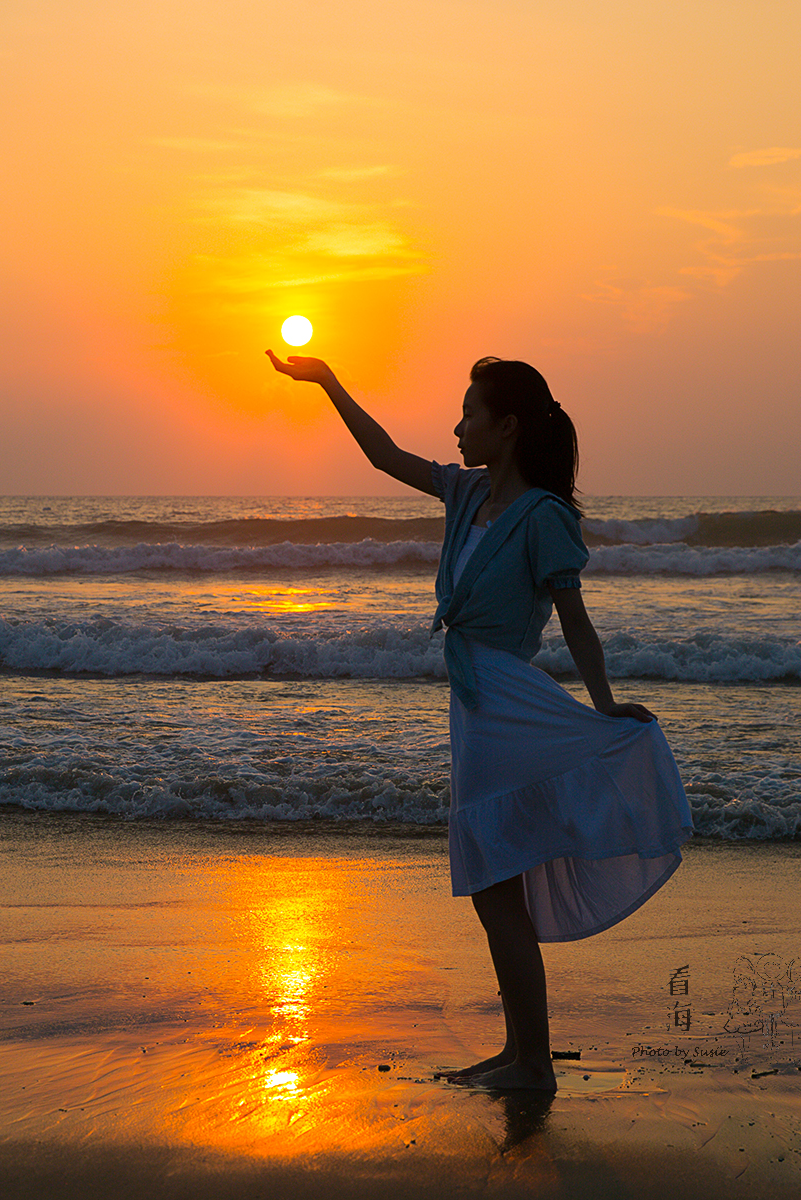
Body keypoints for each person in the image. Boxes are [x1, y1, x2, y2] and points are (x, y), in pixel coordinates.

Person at [267, 349, 693, 1091]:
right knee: (497, 890)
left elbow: (576, 621)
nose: (457, 427)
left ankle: (532, 1063)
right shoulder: (464, 495)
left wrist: (603, 704)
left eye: (470, 414)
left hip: (504, 704)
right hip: (475, 705)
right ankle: (520, 1052)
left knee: (497, 883)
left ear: (508, 426)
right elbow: (384, 456)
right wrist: (329, 379)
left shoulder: (545, 517)